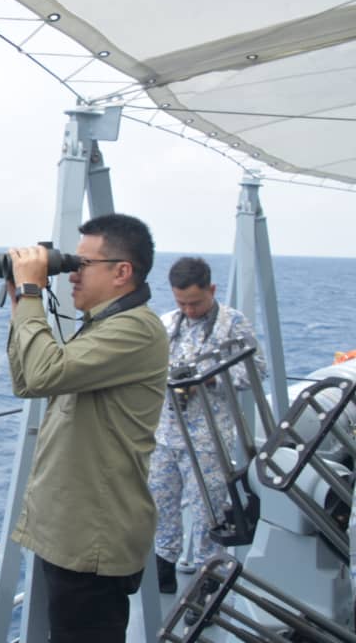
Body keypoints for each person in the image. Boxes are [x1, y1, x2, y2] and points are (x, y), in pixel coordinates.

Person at [5, 213, 168, 643]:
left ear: (122, 272)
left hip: (93, 540)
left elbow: (42, 374)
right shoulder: (105, 325)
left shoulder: (135, 329)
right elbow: (28, 383)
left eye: (82, 264)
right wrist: (21, 303)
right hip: (71, 531)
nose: (72, 274)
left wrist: (31, 292)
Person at [149, 257, 264, 619]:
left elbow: (256, 372)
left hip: (207, 439)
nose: (188, 309)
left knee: (209, 516)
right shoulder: (168, 324)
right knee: (161, 505)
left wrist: (210, 378)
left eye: (195, 303)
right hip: (166, 435)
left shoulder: (234, 325)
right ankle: (163, 569)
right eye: (181, 302)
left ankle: (205, 587)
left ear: (212, 291)